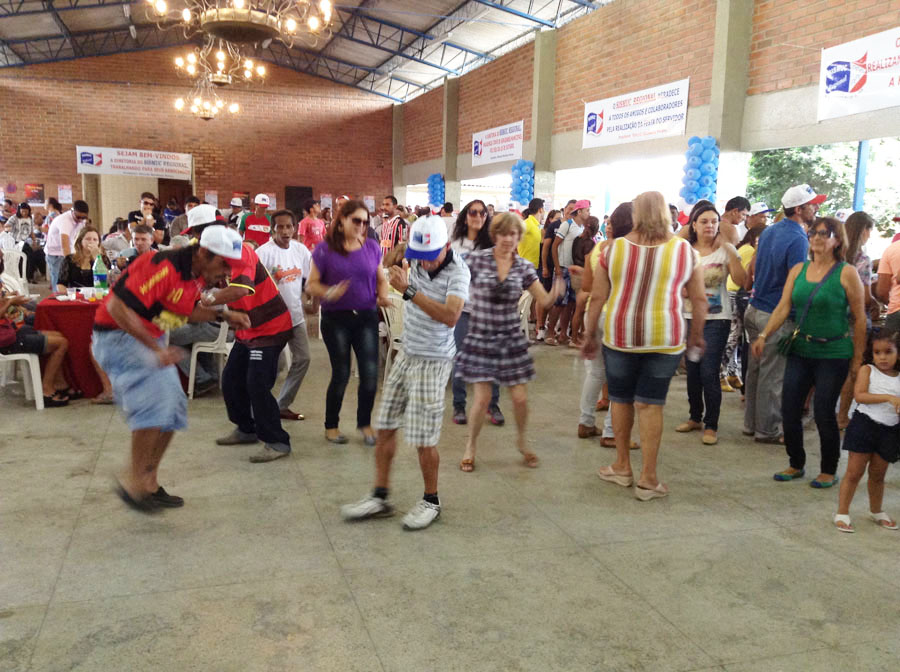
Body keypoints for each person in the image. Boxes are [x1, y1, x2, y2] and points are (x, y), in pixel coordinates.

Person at [92, 226, 250, 510]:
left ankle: (148, 482)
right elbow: (116, 307)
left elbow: (184, 311)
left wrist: (224, 315)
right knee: (155, 405)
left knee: (174, 408)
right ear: (203, 253)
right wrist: (157, 351)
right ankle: (133, 483)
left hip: (146, 338)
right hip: (117, 336)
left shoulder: (196, 275)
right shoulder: (162, 266)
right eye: (224, 264)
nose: (227, 273)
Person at [341, 216, 470, 530]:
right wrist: (393, 263)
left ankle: (431, 501)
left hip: (433, 360)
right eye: (419, 257)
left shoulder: (458, 271)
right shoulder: (415, 255)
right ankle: (380, 496)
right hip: (407, 353)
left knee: (424, 438)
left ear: (446, 246)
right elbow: (387, 263)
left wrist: (409, 290)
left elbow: (451, 316)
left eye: (430, 257)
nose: (424, 264)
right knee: (385, 426)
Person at [582, 191, 707, 502]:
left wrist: (589, 334)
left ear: (635, 214)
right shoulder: (685, 251)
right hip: (665, 339)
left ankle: (622, 467)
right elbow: (699, 300)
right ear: (666, 213)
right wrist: (696, 335)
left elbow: (597, 298)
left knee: (621, 400)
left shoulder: (612, 250)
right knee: (651, 405)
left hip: (620, 336)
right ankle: (648, 479)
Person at [751, 216, 865, 488]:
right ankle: (796, 463)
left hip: (834, 352)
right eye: (813, 232)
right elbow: (783, 307)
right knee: (789, 408)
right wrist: (764, 335)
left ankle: (828, 469)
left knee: (824, 410)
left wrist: (857, 360)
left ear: (837, 240)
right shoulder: (798, 270)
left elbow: (860, 318)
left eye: (824, 233)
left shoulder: (846, 272)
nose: (816, 237)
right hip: (801, 348)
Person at [456, 213, 560, 473]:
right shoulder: (476, 259)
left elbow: (544, 300)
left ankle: (522, 442)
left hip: (511, 338)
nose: (507, 239)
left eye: (513, 234)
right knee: (482, 399)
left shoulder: (524, 267)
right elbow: (451, 275)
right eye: (503, 234)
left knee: (521, 399)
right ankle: (470, 445)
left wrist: (558, 289)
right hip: (481, 336)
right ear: (495, 235)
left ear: (519, 237)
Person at [200, 213, 295, 463]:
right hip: (247, 330)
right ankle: (246, 428)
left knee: (257, 384)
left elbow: (241, 289)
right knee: (231, 380)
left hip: (270, 328)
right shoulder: (210, 257)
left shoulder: (242, 253)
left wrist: (209, 299)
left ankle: (277, 441)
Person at [307, 199, 390, 445]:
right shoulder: (324, 250)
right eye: (356, 221)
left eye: (365, 222)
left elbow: (381, 279)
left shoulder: (371, 247)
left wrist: (383, 296)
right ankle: (331, 425)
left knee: (370, 373)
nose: (361, 226)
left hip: (366, 316)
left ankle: (364, 423)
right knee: (341, 373)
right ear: (342, 220)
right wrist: (329, 292)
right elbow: (311, 284)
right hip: (336, 319)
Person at [744, 184, 821, 444]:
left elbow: (755, 266)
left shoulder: (770, 230)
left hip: (755, 308)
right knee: (773, 375)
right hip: (775, 314)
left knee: (756, 371)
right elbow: (796, 281)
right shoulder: (798, 239)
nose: (816, 208)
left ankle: (752, 424)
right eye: (812, 204)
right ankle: (768, 429)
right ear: (798, 209)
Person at [674, 203, 746, 445]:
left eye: (714, 221)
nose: (710, 225)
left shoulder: (725, 250)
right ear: (693, 225)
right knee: (692, 370)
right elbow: (673, 280)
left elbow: (742, 280)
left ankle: (711, 424)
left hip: (717, 319)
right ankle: (695, 416)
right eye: (704, 221)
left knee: (708, 371)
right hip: (688, 317)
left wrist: (732, 252)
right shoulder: (685, 251)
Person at [577, 202, 636, 446]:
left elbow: (587, 287)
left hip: (594, 312)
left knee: (595, 373)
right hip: (617, 316)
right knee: (620, 377)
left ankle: (586, 422)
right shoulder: (631, 250)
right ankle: (612, 432)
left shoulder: (598, 249)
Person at [834, 330, 900, 532]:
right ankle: (842, 512)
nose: (882, 357)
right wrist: (889, 398)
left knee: (878, 474)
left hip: (890, 430)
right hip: (864, 426)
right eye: (877, 352)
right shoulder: (867, 370)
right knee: (854, 472)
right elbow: (860, 395)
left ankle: (876, 510)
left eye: (888, 352)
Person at [449, 200, 503, 426]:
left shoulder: (493, 245)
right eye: (473, 212)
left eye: (482, 213)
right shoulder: (455, 245)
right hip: (463, 310)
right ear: (465, 216)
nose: (478, 216)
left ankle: (493, 404)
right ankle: (459, 405)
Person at [256, 209, 314, 421]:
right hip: (271, 321)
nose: (285, 231)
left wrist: (311, 298)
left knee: (304, 358)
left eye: (289, 226)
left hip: (295, 317)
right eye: (280, 227)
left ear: (295, 228)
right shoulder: (263, 253)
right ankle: (260, 406)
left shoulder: (300, 250)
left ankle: (282, 405)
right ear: (272, 229)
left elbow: (310, 278)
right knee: (275, 365)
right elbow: (254, 287)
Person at [1, 256, 71, 406]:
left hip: (12, 330)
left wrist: (12, 302)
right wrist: (11, 302)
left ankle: (59, 384)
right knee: (61, 343)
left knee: (58, 335)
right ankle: (46, 390)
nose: (3, 260)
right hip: (6, 340)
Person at [721, 202, 772, 392]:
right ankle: (721, 373)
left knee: (737, 336)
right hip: (738, 294)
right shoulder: (750, 251)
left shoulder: (744, 247)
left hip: (734, 292)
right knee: (734, 335)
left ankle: (732, 373)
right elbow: (750, 278)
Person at [838, 211, 878, 428]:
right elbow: (865, 297)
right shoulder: (863, 260)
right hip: (855, 321)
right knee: (852, 370)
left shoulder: (836, 255)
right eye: (870, 230)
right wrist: (876, 303)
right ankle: (842, 416)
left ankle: (809, 407)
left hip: (833, 319)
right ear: (864, 230)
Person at [547, 200, 590, 346]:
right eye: (587, 210)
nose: (589, 213)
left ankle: (563, 334)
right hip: (563, 268)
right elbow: (554, 246)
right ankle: (550, 333)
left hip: (574, 270)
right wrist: (557, 267)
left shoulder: (582, 227)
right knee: (559, 303)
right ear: (579, 212)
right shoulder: (567, 225)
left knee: (571, 304)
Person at [568, 215, 599, 348]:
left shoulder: (577, 239)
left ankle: (577, 336)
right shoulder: (590, 243)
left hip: (574, 274)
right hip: (583, 275)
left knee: (578, 309)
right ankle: (574, 339)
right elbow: (588, 262)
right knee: (580, 310)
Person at [45, 200, 89, 288]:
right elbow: (64, 244)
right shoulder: (65, 221)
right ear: (72, 211)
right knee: (59, 282)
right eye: (78, 217)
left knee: (71, 281)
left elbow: (80, 238)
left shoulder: (81, 221)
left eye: (83, 217)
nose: (80, 220)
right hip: (56, 254)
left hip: (70, 251)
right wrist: (69, 262)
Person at [536, 208, 562, 341]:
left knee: (554, 300)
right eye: (556, 218)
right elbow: (545, 249)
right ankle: (540, 325)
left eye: (560, 218)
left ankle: (550, 326)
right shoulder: (545, 231)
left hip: (558, 268)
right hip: (546, 266)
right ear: (550, 219)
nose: (559, 221)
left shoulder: (566, 228)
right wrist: (545, 267)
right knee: (543, 296)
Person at [56, 226, 107, 292]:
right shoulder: (69, 259)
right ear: (80, 241)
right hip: (75, 295)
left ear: (98, 243)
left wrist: (97, 258)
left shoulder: (104, 258)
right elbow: (61, 284)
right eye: (88, 239)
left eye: (95, 240)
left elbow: (107, 281)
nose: (91, 242)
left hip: (97, 294)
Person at [7, 202, 45, 282]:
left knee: (35, 253)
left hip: (24, 241)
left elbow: (31, 231)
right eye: (22, 211)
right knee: (29, 253)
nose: (24, 213)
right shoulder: (14, 218)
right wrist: (15, 228)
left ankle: (31, 275)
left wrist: (34, 241)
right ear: (19, 211)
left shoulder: (29, 219)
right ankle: (28, 276)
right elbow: (6, 227)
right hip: (15, 241)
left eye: (26, 211)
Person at [517, 198, 543, 269]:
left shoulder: (536, 225)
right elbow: (513, 237)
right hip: (524, 266)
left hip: (533, 266)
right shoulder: (527, 223)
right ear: (540, 210)